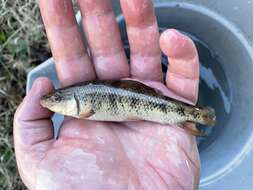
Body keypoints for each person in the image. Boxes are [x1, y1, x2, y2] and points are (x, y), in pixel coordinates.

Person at [14, 0, 200, 189]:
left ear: (72, 100)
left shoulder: (83, 108)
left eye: (56, 99)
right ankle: (190, 115)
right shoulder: (81, 104)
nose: (50, 102)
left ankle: (190, 114)